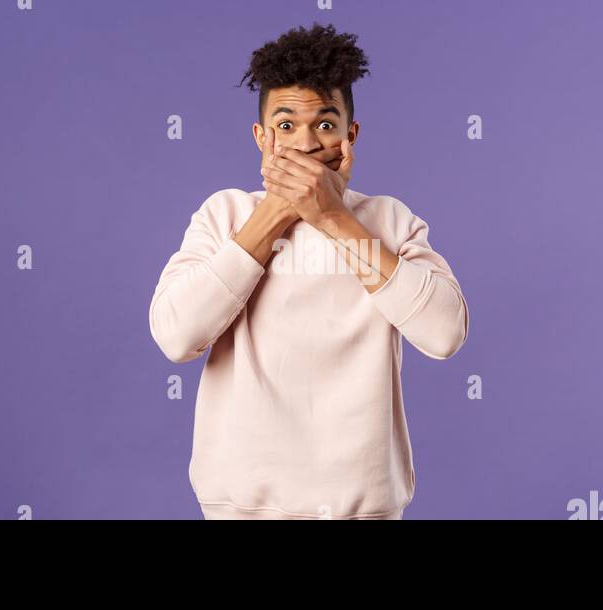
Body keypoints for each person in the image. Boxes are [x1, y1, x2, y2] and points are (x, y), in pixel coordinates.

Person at [148, 23, 469, 520]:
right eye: (285, 126)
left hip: (363, 509)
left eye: (324, 124)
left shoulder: (390, 220)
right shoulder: (224, 215)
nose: (304, 144)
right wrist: (276, 212)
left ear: (350, 135)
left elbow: (445, 332)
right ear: (260, 138)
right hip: (239, 508)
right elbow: (176, 335)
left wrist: (332, 218)